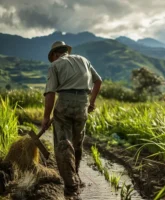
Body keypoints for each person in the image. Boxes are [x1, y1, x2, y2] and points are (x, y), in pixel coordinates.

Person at [41, 41, 102, 199]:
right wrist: (92, 102)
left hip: (65, 103)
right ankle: (75, 175)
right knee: (77, 142)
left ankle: (70, 186)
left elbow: (50, 94)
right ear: (65, 51)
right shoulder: (84, 60)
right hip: (83, 104)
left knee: (63, 143)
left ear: (55, 54)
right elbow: (98, 81)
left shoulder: (55, 66)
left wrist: (46, 117)